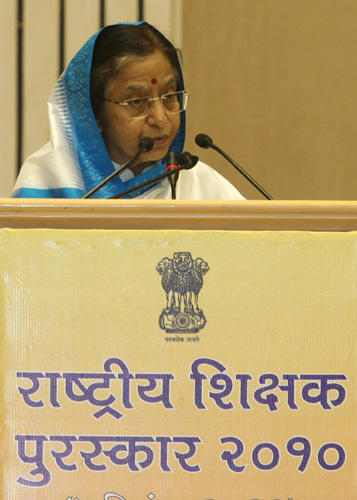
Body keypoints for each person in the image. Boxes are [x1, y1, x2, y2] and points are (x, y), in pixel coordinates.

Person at [12, 22, 245, 200]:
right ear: (95, 114)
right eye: (136, 102)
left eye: (169, 96)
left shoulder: (198, 185)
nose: (160, 118)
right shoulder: (49, 180)